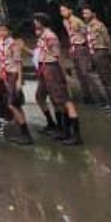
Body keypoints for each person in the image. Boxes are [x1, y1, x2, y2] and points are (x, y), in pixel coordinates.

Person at [32, 13, 81, 145]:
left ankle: (74, 134)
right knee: (53, 98)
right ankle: (61, 128)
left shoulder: (50, 36)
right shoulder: (42, 36)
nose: (35, 23)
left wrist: (64, 74)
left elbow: (57, 56)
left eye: (36, 21)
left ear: (42, 22)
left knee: (63, 100)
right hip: (44, 68)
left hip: (52, 68)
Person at [80, 3, 111, 114]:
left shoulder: (98, 25)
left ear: (93, 14)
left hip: (101, 52)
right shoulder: (87, 26)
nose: (84, 15)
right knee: (103, 79)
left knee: (108, 80)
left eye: (87, 13)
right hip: (93, 53)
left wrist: (110, 55)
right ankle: (110, 102)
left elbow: (108, 40)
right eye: (83, 13)